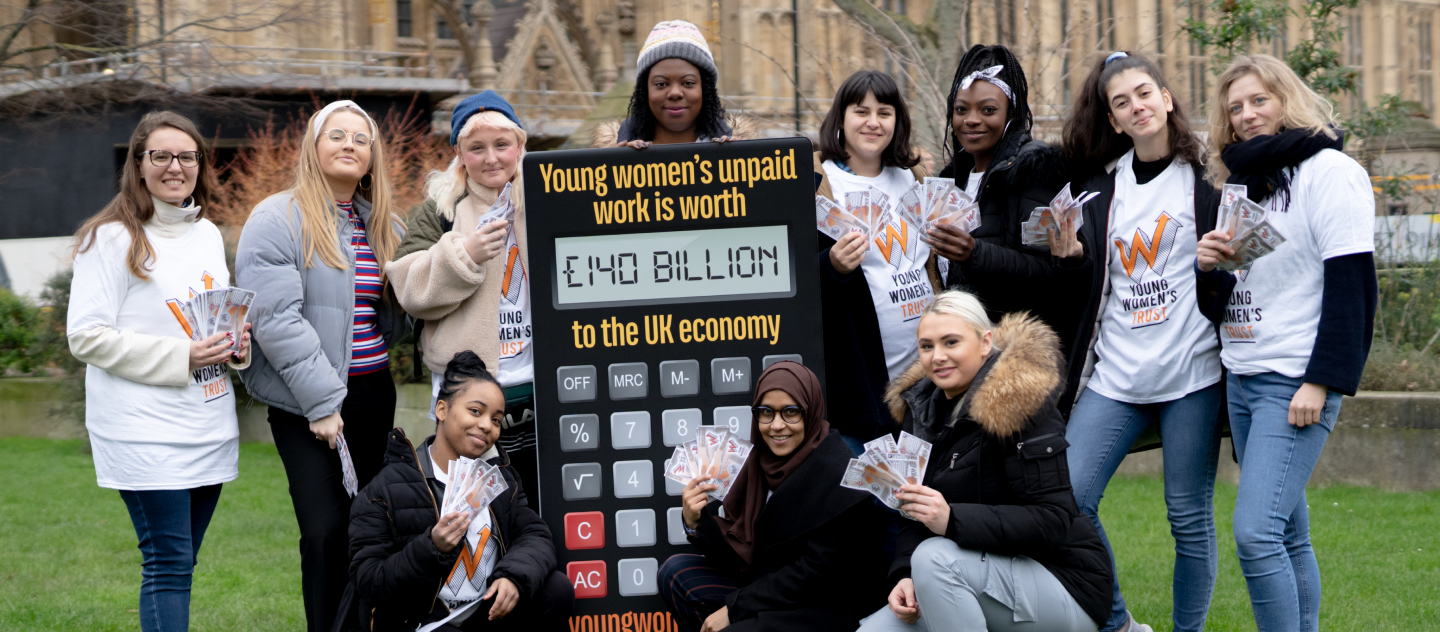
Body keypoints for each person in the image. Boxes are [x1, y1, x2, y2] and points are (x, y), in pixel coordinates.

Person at [1197, 54, 1377, 632]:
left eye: (1259, 100)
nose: (1247, 115)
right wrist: (1210, 268)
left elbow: (1353, 289)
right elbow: (1223, 302)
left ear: (1286, 99)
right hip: (1245, 376)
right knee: (1289, 535)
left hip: (1295, 380)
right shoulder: (1243, 186)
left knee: (1255, 534)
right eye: (1235, 108)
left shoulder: (1330, 172)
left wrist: (1321, 381)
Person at [1055, 51, 1229, 632]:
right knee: (1070, 496)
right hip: (1117, 377)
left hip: (1192, 375)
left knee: (1187, 517)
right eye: (1121, 102)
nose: (1137, 107)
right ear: (1113, 120)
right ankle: (1118, 624)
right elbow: (1093, 281)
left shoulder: (1209, 176)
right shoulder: (1102, 190)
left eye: (1144, 93)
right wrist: (1073, 257)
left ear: (1167, 97)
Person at [67, 110, 252, 632]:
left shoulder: (208, 235)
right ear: (139, 165)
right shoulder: (109, 239)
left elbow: (211, 319)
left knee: (182, 564)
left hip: (207, 423)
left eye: (187, 156)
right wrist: (181, 357)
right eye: (162, 156)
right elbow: (85, 335)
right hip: (144, 429)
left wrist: (235, 345)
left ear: (200, 164)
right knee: (168, 564)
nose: (176, 166)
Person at [235, 100, 408, 631]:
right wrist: (322, 403)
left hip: (373, 395)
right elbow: (275, 318)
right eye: (337, 135)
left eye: (362, 138)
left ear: (373, 156)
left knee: (371, 532)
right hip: (305, 403)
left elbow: (395, 317)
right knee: (325, 531)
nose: (350, 145)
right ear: (314, 146)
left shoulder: (384, 222)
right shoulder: (277, 217)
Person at [858, 291, 1111, 632]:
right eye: (927, 346)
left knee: (933, 559)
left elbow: (1054, 519)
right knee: (872, 632)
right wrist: (905, 572)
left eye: (951, 342)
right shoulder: (918, 409)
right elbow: (913, 515)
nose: (938, 357)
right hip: (965, 573)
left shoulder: (1020, 402)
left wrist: (951, 518)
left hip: (1061, 584)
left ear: (984, 342)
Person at [344, 351, 572, 631]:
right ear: (441, 410)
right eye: (475, 411)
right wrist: (431, 548)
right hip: (422, 623)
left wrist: (513, 577)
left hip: (484, 612)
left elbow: (534, 534)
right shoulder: (385, 490)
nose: (486, 425)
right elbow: (368, 580)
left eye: (497, 419)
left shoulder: (500, 476)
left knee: (556, 589)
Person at [387, 90, 540, 498]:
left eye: (502, 145)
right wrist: (464, 256)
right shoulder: (440, 209)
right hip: (468, 394)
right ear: (459, 152)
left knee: (548, 508)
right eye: (477, 148)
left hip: (541, 384)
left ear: (520, 145)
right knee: (477, 512)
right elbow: (406, 289)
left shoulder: (547, 196)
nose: (491, 158)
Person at [658, 362, 888, 631]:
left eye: (791, 412)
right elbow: (740, 558)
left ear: (810, 411)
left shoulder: (841, 475)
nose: (777, 425)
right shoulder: (757, 465)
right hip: (767, 587)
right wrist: (695, 521)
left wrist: (736, 608)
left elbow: (814, 574)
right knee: (674, 573)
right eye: (766, 412)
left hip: (824, 605)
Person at [813, 70, 940, 452]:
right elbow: (799, 275)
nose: (873, 122)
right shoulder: (819, 180)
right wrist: (831, 265)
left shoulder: (915, 176)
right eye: (861, 111)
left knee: (921, 493)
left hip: (925, 369)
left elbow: (931, 263)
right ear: (840, 119)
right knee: (871, 494)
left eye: (884, 112)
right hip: (860, 380)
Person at [925, 45, 1075, 352]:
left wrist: (975, 253)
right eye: (961, 109)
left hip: (1012, 356)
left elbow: (1049, 273)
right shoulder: (948, 181)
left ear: (1012, 113)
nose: (971, 120)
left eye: (988, 110)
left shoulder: (1034, 169)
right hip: (958, 352)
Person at [592, 20, 757, 147]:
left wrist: (739, 163)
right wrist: (618, 170)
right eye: (661, 84)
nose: (675, 93)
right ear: (645, 91)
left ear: (705, 90)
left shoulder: (739, 154)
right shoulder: (614, 158)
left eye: (688, 82)